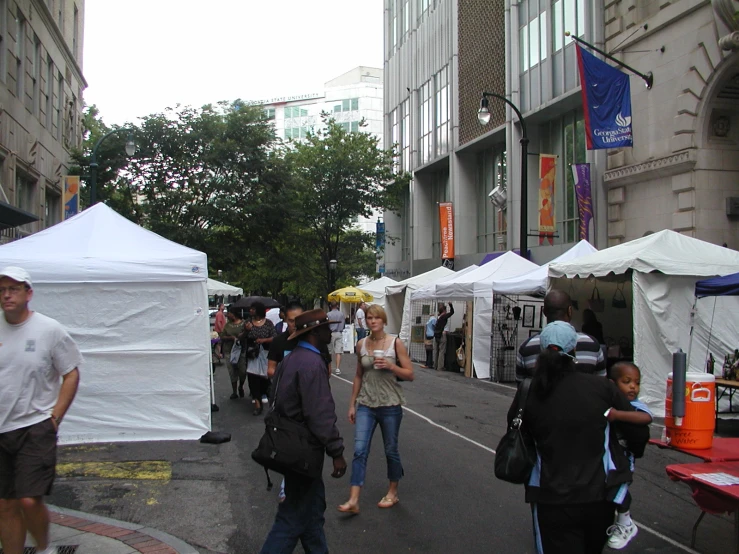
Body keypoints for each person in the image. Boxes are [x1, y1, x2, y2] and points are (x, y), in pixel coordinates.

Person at [507, 321, 648, 553]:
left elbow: (517, 434)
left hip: (550, 495)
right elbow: (638, 432)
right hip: (599, 495)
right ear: (574, 351)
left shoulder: (530, 391)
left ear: (542, 351)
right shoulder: (602, 387)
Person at [0, 267, 82, 554]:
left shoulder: (49, 330)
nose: (7, 295)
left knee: (28, 500)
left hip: (36, 426)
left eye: (14, 289)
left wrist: (55, 417)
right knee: (5, 504)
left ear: (28, 293)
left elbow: (71, 373)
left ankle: (44, 548)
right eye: (2, 290)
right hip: (2, 428)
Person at [259, 309, 347, 554]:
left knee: (312, 515)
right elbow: (320, 413)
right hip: (303, 452)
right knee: (291, 519)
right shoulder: (311, 364)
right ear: (315, 333)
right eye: (326, 328)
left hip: (290, 447)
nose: (331, 332)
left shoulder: (293, 358)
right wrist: (336, 451)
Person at [338, 305, 414, 515]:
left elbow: (410, 374)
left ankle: (393, 491)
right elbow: (358, 375)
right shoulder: (361, 344)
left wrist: (391, 366)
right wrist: (352, 404)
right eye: (369, 318)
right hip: (366, 404)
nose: (372, 321)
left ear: (383, 321)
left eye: (376, 318)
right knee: (360, 449)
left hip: (390, 404)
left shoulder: (395, 343)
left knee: (391, 449)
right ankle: (354, 498)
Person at [606, 362, 653, 550]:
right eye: (627, 382)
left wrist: (618, 415)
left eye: (637, 382)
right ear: (612, 383)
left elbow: (646, 418)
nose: (633, 386)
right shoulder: (608, 402)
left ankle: (625, 523)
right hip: (608, 455)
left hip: (625, 456)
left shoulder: (635, 406)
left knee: (619, 488)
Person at [516, 290, 605, 381]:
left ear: (544, 311)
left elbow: (523, 388)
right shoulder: (592, 345)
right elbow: (601, 384)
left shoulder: (526, 347)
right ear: (570, 311)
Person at [242, 302, 276, 416]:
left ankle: (263, 394)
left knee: (264, 378)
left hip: (265, 354)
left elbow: (274, 337)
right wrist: (246, 331)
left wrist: (264, 340)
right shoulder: (248, 322)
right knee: (252, 378)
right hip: (252, 354)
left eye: (253, 309)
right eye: (250, 309)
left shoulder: (268, 324)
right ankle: (257, 403)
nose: (251, 311)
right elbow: (241, 337)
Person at [220, 309, 247, 400]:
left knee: (242, 371)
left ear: (234, 314)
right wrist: (230, 337)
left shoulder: (244, 324)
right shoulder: (227, 325)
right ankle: (234, 391)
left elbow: (247, 334)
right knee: (232, 372)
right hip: (229, 351)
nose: (227, 315)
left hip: (241, 351)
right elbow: (222, 336)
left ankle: (241, 386)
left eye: (229, 313)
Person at [434, 303, 454, 371]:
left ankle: (435, 365)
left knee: (436, 350)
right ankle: (440, 367)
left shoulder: (438, 317)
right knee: (442, 351)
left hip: (436, 335)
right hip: (442, 334)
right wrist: (451, 305)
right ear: (444, 310)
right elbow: (452, 312)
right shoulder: (444, 316)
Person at [327, 302, 345, 376]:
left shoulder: (328, 314)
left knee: (330, 351)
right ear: (337, 306)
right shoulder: (341, 314)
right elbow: (343, 324)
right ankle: (337, 368)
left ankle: (329, 367)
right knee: (338, 351)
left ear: (331, 306)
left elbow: (327, 324)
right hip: (339, 332)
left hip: (331, 333)